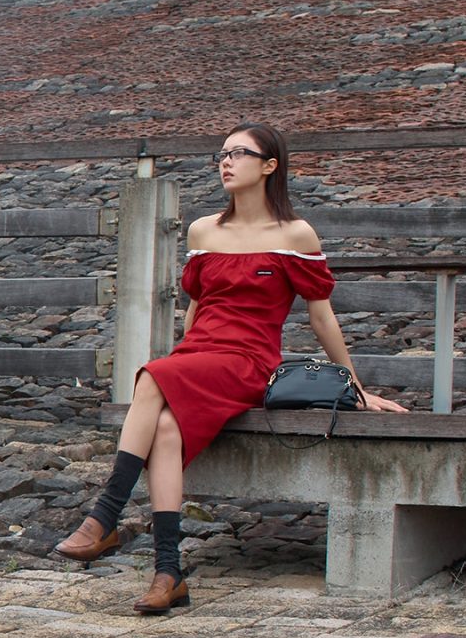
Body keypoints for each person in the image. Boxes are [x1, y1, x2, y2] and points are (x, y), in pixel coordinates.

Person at [52, 122, 404, 613]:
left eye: (239, 153)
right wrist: (184, 360)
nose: (226, 161)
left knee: (152, 374)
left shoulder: (293, 235)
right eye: (222, 153)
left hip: (250, 362)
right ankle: (168, 572)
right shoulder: (203, 230)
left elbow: (321, 316)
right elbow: (197, 308)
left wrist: (353, 386)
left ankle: (104, 517)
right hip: (199, 358)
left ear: (269, 165)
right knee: (167, 427)